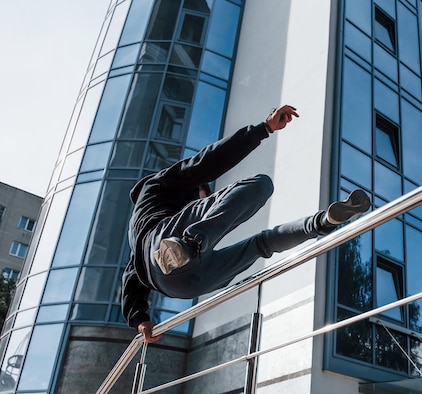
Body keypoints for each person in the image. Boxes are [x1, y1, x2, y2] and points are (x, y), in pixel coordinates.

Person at [121, 105, 370, 343]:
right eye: (205, 195)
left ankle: (322, 222)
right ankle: (190, 242)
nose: (207, 203)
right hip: (163, 247)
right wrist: (264, 128)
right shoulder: (157, 186)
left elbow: (132, 274)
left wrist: (140, 319)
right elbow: (205, 162)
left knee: (261, 245)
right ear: (198, 190)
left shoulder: (137, 237)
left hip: (182, 285)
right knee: (261, 184)